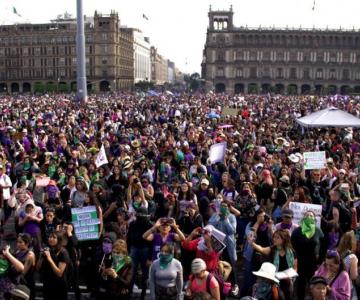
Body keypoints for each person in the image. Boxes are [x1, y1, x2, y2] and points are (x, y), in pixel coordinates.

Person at [250, 229, 297, 300]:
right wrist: (251, 243)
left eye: (277, 237)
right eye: (274, 237)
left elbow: (295, 268)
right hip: (275, 281)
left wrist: (289, 277)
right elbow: (261, 249)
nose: (274, 239)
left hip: (288, 281)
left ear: (284, 239)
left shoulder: (292, 252)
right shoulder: (272, 249)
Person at [291, 210, 324, 300]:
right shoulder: (297, 231)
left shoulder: (318, 231)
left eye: (311, 216)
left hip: (313, 263)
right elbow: (292, 245)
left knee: (313, 283)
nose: (309, 217)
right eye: (307, 215)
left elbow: (323, 245)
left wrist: (320, 260)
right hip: (301, 261)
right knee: (301, 283)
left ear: (314, 219)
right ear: (303, 218)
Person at [37, 231, 70, 300]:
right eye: (50, 237)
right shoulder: (48, 250)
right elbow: (38, 268)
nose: (51, 239)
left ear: (59, 240)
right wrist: (41, 257)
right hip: (47, 284)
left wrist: (49, 259)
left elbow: (59, 273)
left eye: (54, 237)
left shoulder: (63, 252)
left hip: (59, 286)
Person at [337, 231, 358, 299]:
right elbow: (353, 276)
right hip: (347, 287)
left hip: (336, 285)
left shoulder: (336, 252)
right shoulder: (352, 257)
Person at [15, 233, 36, 300]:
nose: (18, 244)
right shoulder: (18, 252)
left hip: (26, 283)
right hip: (18, 282)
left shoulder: (30, 254)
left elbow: (23, 272)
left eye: (20, 242)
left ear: (27, 243)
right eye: (17, 242)